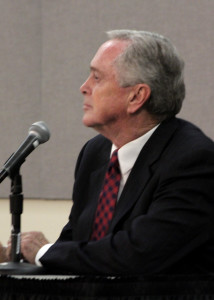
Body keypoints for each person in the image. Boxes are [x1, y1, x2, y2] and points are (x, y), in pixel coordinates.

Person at [1, 30, 214, 275]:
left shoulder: (193, 161)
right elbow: (81, 248)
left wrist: (43, 252)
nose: (84, 87)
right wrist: (14, 258)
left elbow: (137, 254)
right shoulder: (95, 152)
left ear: (136, 96)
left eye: (96, 78)